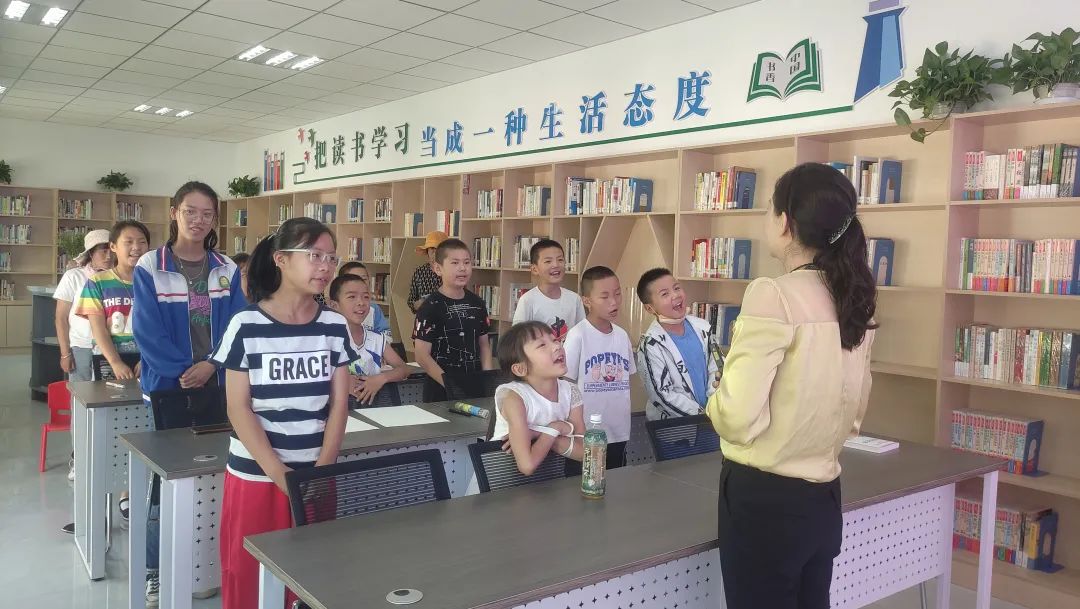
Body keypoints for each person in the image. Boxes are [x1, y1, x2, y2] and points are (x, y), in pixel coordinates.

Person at [707, 163, 877, 609]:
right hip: (824, 494)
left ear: (785, 222)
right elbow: (855, 412)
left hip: (765, 499)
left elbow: (736, 418)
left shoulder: (774, 293)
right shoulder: (853, 297)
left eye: (769, 208)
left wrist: (717, 398)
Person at [210, 218, 358, 609]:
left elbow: (339, 403)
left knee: (311, 576)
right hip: (259, 475)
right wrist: (280, 474)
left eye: (331, 258)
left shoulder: (334, 325)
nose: (325, 266)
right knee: (252, 576)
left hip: (316, 474)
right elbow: (238, 407)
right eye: (315, 256)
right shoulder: (246, 324)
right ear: (281, 259)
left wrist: (323, 468)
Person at [132, 181, 246, 607]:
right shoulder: (151, 265)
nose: (199, 220)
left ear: (216, 219)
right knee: (167, 482)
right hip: (169, 388)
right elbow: (147, 331)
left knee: (217, 476)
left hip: (217, 384)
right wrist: (185, 371)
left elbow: (238, 323)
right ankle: (156, 570)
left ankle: (205, 565)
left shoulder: (226, 267)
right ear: (175, 213)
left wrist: (212, 365)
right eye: (190, 211)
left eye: (208, 213)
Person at [54, 229, 113, 486]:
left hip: (112, 350)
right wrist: (64, 351)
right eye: (102, 250)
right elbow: (60, 318)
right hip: (81, 349)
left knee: (110, 406)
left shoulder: (118, 277)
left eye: (111, 249)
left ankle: (107, 458)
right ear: (90, 253)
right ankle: (78, 458)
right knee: (81, 406)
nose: (108, 255)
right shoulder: (74, 276)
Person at [563, 266, 635, 470]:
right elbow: (566, 384)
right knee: (583, 482)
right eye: (605, 296)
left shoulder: (622, 335)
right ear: (587, 301)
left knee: (617, 482)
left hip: (618, 430)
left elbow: (626, 378)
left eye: (617, 294)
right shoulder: (578, 335)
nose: (614, 301)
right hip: (586, 432)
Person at [491, 321, 585, 475]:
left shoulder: (571, 391)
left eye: (555, 340)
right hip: (501, 480)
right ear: (520, 369)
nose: (557, 346)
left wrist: (540, 432)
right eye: (542, 345)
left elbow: (584, 453)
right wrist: (556, 428)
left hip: (549, 482)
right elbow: (527, 466)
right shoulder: (515, 398)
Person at [412, 238, 493, 401]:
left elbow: (484, 346)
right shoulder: (430, 307)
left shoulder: (477, 303)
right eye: (455, 263)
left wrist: (489, 381)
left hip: (475, 387)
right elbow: (421, 356)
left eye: (467, 262)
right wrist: (451, 385)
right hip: (441, 391)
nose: (462, 268)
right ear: (438, 268)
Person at [635, 268, 718, 420]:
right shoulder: (650, 345)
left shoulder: (704, 328)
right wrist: (701, 415)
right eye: (665, 294)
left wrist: (714, 407)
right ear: (650, 308)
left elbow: (717, 368)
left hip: (712, 418)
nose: (675, 295)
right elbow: (662, 395)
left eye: (677, 288)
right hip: (676, 427)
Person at [76, 221, 149, 381]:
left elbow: (161, 326)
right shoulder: (97, 282)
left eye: (142, 242)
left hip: (147, 358)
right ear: (113, 246)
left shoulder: (155, 282)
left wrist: (149, 358)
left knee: (144, 396)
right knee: (109, 396)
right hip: (109, 357)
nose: (136, 247)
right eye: (128, 242)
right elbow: (98, 328)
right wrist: (115, 362)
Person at [326, 273, 409, 406]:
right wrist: (342, 380)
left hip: (371, 407)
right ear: (334, 305)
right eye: (352, 297)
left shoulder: (376, 338)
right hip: (335, 408)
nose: (361, 302)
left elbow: (403, 369)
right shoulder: (325, 339)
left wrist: (380, 378)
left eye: (366, 297)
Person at [511, 239, 585, 341]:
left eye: (560, 260)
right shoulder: (527, 300)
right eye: (548, 261)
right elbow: (518, 338)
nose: (556, 265)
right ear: (534, 269)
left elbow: (582, 333)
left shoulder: (574, 299)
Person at [337, 260, 392, 339]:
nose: (359, 282)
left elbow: (387, 336)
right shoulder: (336, 308)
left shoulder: (374, 309)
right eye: (354, 278)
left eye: (364, 279)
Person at [406, 230, 447, 313]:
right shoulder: (419, 272)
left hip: (448, 317)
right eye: (432, 248)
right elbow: (411, 301)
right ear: (427, 251)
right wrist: (419, 304)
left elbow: (461, 298)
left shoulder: (452, 272)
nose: (434, 252)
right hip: (424, 316)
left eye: (438, 249)